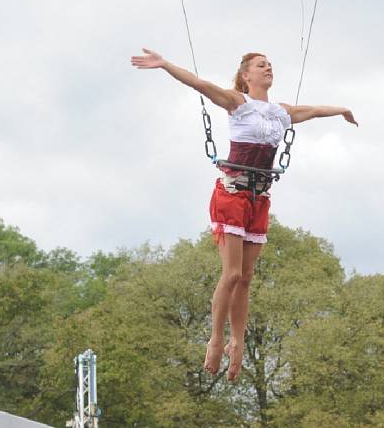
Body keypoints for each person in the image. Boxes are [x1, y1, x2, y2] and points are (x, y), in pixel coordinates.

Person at [131, 48, 357, 381]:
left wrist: (343, 110)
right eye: (260, 65)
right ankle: (216, 337)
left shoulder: (281, 113)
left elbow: (314, 110)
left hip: (259, 198)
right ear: (246, 76)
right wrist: (165, 65)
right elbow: (198, 83)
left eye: (270, 65)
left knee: (247, 278)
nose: (268, 68)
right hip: (233, 195)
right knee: (232, 274)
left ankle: (238, 341)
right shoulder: (237, 103)